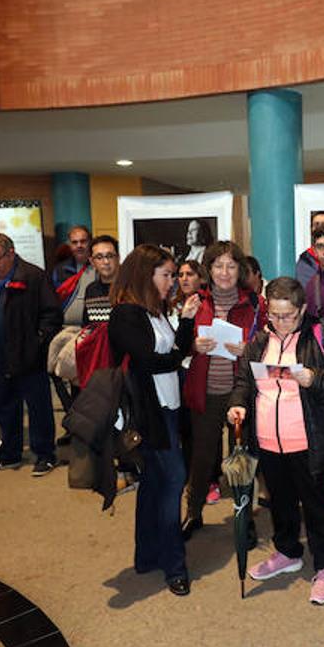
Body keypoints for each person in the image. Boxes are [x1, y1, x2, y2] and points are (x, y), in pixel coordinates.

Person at [228, 277, 324, 604]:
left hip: (309, 441)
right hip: (268, 440)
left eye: (288, 316)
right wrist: (238, 404)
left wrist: (314, 378)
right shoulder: (259, 342)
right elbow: (244, 380)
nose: (281, 323)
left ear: (302, 310)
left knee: (318, 506)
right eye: (274, 315)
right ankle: (287, 552)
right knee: (280, 501)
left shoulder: (321, 337)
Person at [109, 245, 201, 597]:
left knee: (154, 483)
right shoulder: (126, 315)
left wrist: (188, 321)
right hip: (149, 412)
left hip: (168, 406)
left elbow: (173, 353)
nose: (172, 281)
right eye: (166, 275)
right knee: (173, 479)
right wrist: (179, 355)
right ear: (146, 275)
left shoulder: (155, 310)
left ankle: (147, 555)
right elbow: (152, 361)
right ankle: (174, 564)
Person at [180, 241, 265, 538]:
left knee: (241, 458)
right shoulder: (195, 302)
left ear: (240, 269)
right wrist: (193, 344)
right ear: (209, 269)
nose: (225, 272)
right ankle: (193, 512)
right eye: (218, 266)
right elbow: (179, 343)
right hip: (205, 391)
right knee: (202, 457)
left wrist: (248, 348)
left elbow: (268, 345)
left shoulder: (254, 303)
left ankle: (245, 519)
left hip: (240, 393)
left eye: (231, 266)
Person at [0, 232, 63, 477]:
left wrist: (37, 342)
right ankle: (8, 454)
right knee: (4, 408)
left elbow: (52, 315)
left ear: (10, 253)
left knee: (38, 409)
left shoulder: (33, 277)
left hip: (28, 357)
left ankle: (44, 455)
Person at [80, 235, 120, 326]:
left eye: (110, 256)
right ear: (92, 262)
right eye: (99, 257)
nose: (106, 262)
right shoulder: (91, 290)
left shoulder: (129, 289)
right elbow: (86, 326)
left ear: (118, 258)